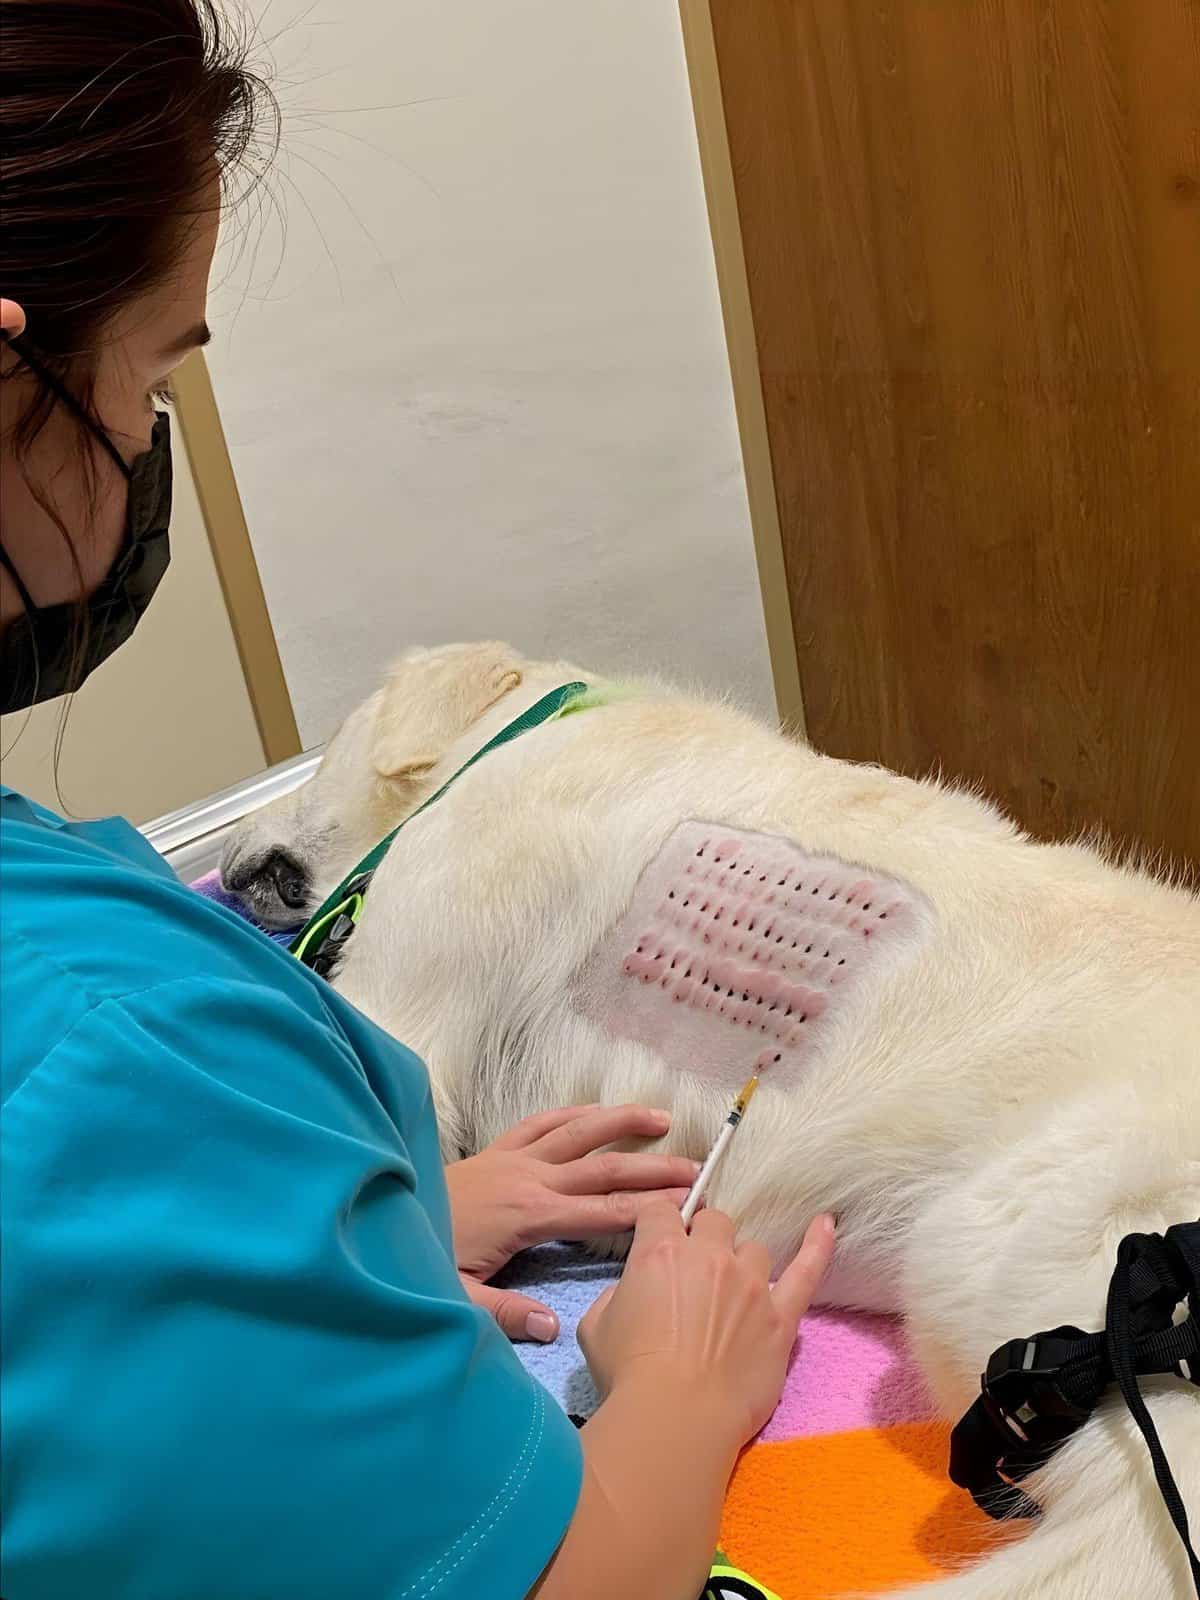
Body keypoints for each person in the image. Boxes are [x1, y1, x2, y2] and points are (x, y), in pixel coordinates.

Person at [0, 5, 835, 1597]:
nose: (140, 450)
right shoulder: (108, 1054)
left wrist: (340, 1231)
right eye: (147, 382)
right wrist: (676, 1393)